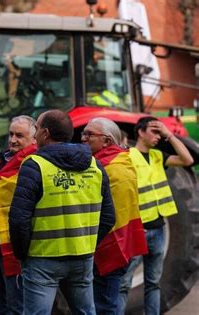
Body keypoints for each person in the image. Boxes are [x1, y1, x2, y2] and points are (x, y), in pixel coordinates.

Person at [9, 109, 115, 315]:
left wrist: (23, 255)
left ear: (45, 133)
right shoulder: (95, 166)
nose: (36, 133)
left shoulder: (34, 165)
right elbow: (109, 217)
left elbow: (18, 220)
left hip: (42, 258)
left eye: (37, 128)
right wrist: (87, 243)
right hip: (82, 257)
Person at [118, 116, 194, 315]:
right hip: (138, 231)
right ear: (140, 132)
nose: (158, 137)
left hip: (158, 230)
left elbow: (188, 160)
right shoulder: (127, 156)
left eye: (160, 133)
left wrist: (169, 134)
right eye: (154, 132)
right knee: (124, 283)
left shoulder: (158, 157)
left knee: (153, 283)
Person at [82, 118, 147, 314]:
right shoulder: (110, 163)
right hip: (110, 244)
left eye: (89, 135)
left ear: (107, 142)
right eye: (82, 133)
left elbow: (110, 217)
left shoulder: (114, 169)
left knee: (105, 306)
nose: (83, 139)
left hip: (109, 247)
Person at [0, 115, 37, 314]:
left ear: (34, 139)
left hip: (14, 248)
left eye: (19, 136)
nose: (13, 139)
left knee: (16, 306)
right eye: (11, 134)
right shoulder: (2, 164)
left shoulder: (32, 165)